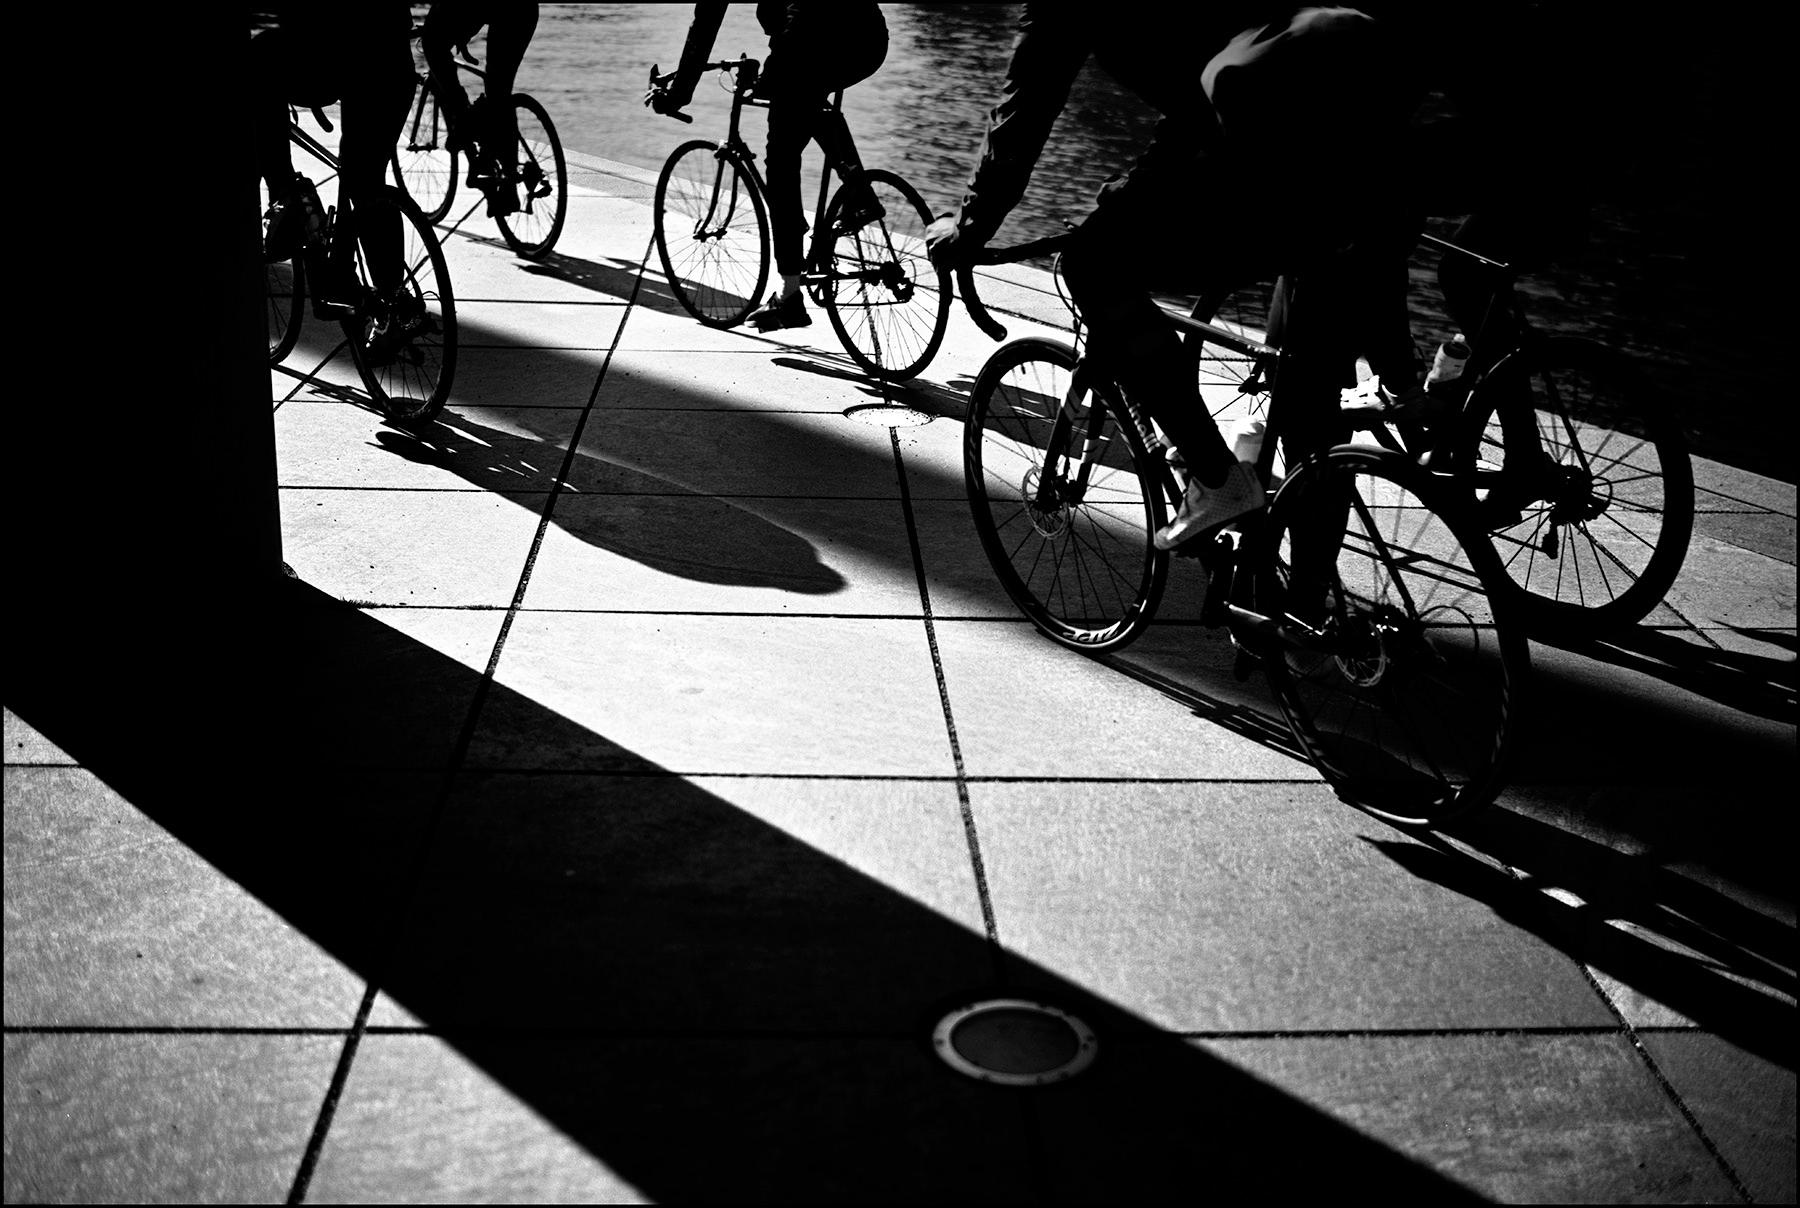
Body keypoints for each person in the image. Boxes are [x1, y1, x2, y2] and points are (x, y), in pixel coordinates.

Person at [928, 5, 1424, 552]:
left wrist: (971, 227)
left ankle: (1216, 479)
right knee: (1310, 392)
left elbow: (1029, 103)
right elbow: (1203, 82)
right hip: (1378, 161)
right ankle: (1311, 611)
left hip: (1268, 159)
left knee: (1094, 265)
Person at [649, 2, 888, 331]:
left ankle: (790, 298)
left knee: (780, 158)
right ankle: (858, 192)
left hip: (813, 38)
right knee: (808, 100)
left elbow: (707, 25)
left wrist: (676, 95)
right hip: (868, 40)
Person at [252, 3, 417, 359]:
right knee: (366, 180)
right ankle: (392, 302)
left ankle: (286, 199)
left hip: (334, 57)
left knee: (260, 56)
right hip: (392, 61)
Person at [419, 1, 541, 217]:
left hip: (478, 2)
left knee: (432, 42)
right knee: (499, 90)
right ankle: (507, 181)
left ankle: (464, 119)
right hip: (522, 7)